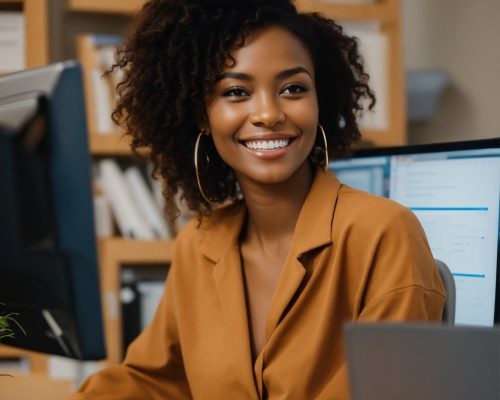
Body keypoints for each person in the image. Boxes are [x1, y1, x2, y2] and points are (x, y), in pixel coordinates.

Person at [71, 0, 445, 399]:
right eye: (236, 92)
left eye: (293, 88)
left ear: (320, 100)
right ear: (202, 115)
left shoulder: (383, 235)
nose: (267, 113)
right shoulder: (198, 245)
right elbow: (155, 379)